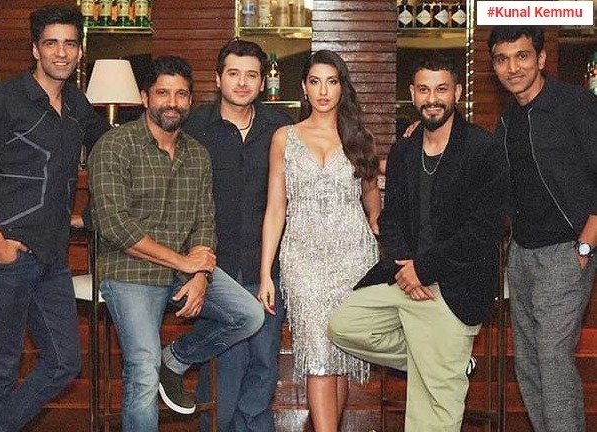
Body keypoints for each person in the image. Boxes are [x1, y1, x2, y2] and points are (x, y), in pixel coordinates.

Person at [327, 52, 509, 431]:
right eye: (424, 90)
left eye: (441, 89)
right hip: (405, 281)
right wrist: (404, 267)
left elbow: (483, 229)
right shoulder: (405, 150)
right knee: (344, 324)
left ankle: (445, 361)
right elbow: (390, 219)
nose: (432, 99)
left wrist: (424, 269)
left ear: (457, 92)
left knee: (433, 417)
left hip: (453, 288)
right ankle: (443, 360)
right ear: (412, 94)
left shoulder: (483, 148)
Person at [87, 55, 264, 432]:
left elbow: (205, 221)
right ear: (144, 97)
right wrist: (184, 263)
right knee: (143, 368)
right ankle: (160, 367)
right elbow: (115, 226)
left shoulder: (196, 154)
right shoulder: (114, 145)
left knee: (249, 315)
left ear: (191, 100)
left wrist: (200, 275)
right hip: (129, 271)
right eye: (163, 93)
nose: (172, 102)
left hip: (184, 271)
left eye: (181, 94)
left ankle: (177, 359)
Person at [0, 5, 110, 431]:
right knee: (1, 366)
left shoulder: (76, 103)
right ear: (35, 49)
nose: (61, 52)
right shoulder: (1, 99)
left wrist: (89, 214)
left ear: (80, 51)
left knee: (63, 363)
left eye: (70, 44)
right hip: (6, 254)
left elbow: (111, 151)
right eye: (51, 43)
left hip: (53, 257)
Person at [259, 49, 380, 432]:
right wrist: (266, 273)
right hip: (303, 259)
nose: (324, 91)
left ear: (342, 87)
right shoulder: (285, 138)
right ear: (304, 88)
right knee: (318, 356)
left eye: (331, 81)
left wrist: (375, 228)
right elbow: (275, 208)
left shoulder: (359, 138)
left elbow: (372, 198)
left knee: (339, 355)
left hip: (354, 258)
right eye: (315, 82)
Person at [488, 26, 597, 432]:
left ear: (541, 59)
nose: (513, 68)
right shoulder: (507, 120)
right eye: (502, 59)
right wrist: (423, 130)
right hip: (522, 254)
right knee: (530, 361)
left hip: (566, 251)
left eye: (522, 56)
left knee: (552, 357)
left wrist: (586, 245)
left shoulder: (575, 104)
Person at [183, 39, 292, 432]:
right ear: (218, 79)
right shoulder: (194, 126)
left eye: (251, 75)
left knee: (263, 363)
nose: (242, 83)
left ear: (263, 82)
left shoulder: (281, 127)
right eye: (234, 74)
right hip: (214, 266)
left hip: (267, 266)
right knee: (224, 364)